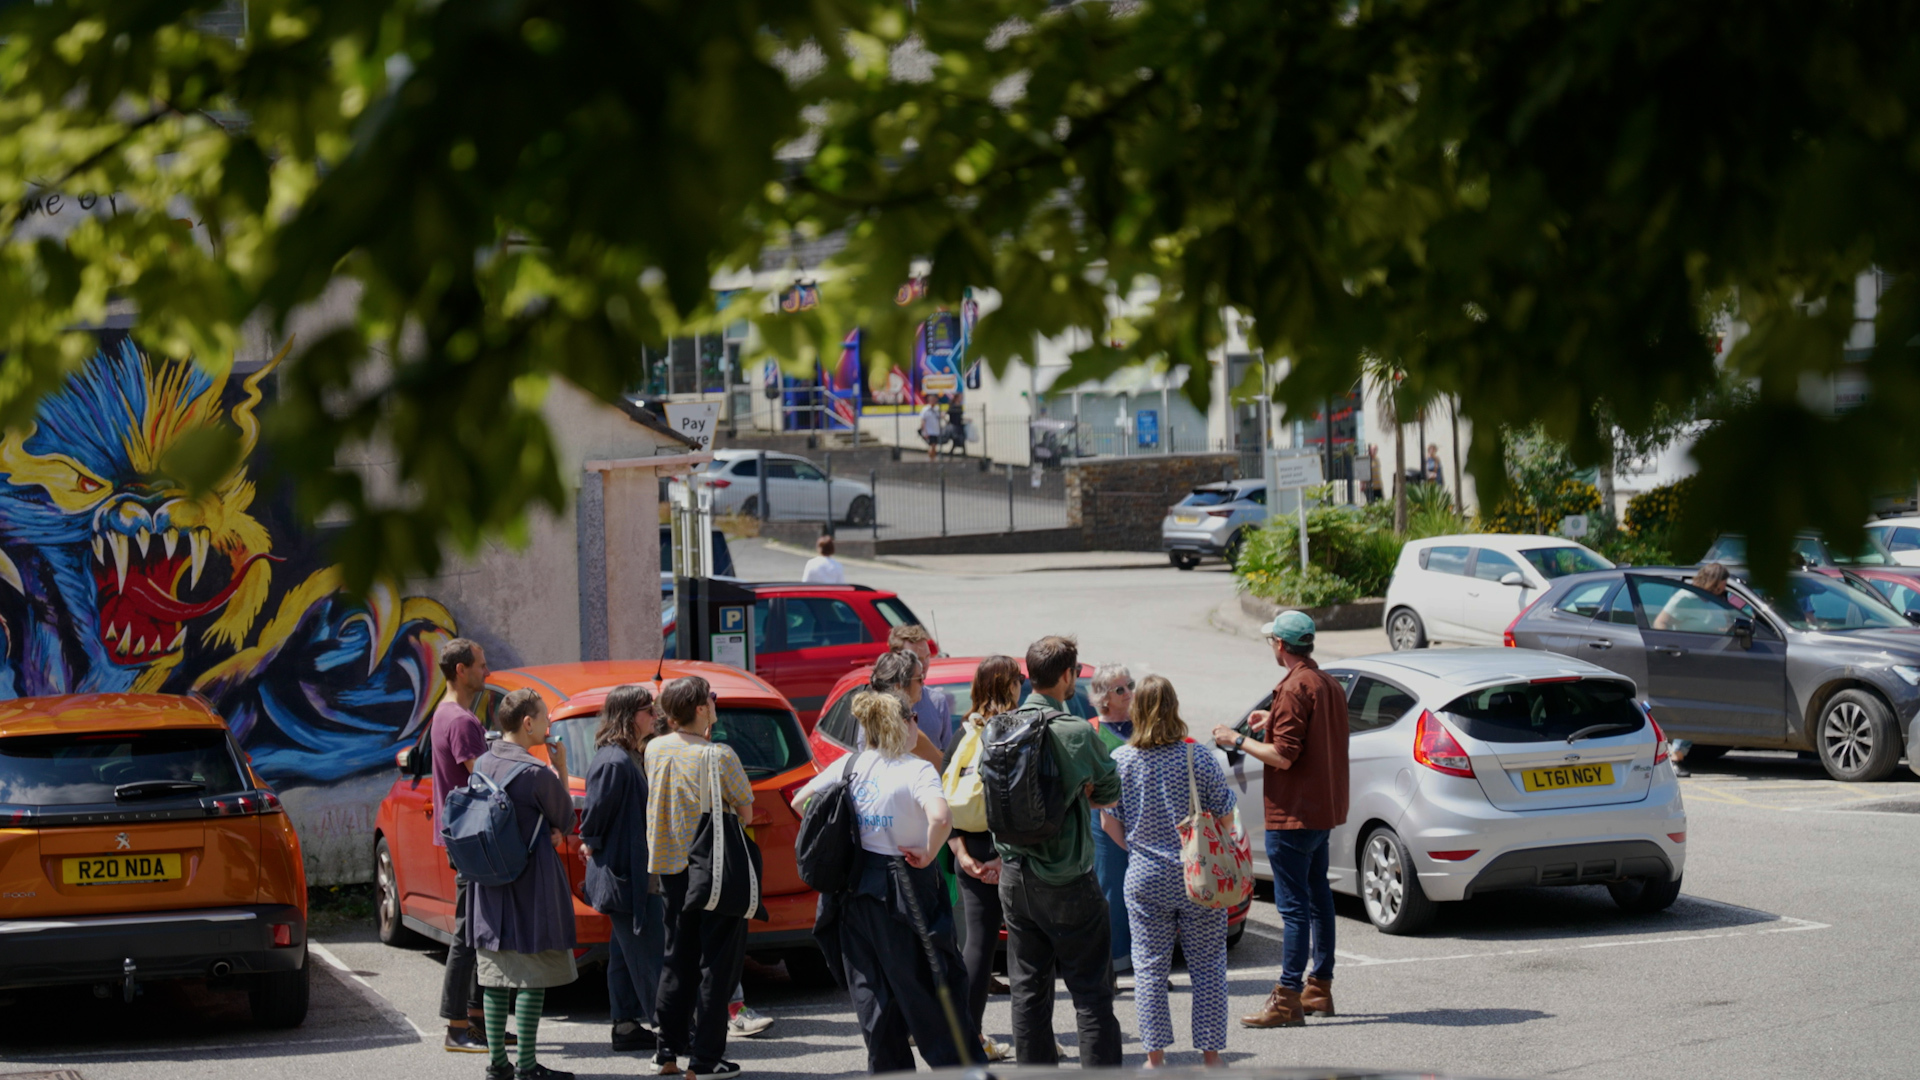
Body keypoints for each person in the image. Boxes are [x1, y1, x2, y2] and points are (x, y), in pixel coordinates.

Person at [798, 691, 974, 1073]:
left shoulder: (850, 764)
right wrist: (928, 852)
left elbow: (802, 803)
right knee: (931, 992)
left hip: (852, 892)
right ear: (901, 724)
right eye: (913, 718)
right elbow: (941, 818)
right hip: (904, 887)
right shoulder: (916, 769)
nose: (918, 724)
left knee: (874, 998)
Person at [1213, 611, 1349, 1028]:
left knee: (1293, 909)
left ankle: (1287, 997)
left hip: (1292, 814)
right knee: (1318, 897)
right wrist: (1270, 721)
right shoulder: (1327, 683)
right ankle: (1318, 987)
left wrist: (1235, 739)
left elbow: (1284, 757)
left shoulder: (1292, 688)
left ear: (1279, 645)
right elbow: (1312, 736)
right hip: (1322, 810)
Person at [995, 635, 1124, 1067]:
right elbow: (1108, 792)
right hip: (1067, 876)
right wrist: (1080, 790)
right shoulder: (1073, 732)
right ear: (1067, 676)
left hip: (1015, 876)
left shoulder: (999, 728)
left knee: (1028, 992)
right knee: (1091, 993)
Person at [1111, 676, 1235, 1068]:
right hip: (1196, 874)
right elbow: (1226, 815)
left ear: (1137, 710)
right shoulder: (1196, 757)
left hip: (1146, 875)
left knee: (1148, 967)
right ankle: (1211, 1057)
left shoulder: (1123, 761)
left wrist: (1138, 849)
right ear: (1174, 707)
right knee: (1208, 964)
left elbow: (1108, 822)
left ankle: (1155, 1058)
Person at [648, 676, 757, 1080]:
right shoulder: (719, 755)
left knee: (677, 960)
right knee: (718, 964)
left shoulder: (654, 749)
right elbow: (745, 810)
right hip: (713, 869)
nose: (715, 703)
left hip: (671, 868)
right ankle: (706, 1059)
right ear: (699, 708)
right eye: (711, 698)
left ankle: (668, 1053)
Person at [468, 688, 577, 1080]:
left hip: (489, 881)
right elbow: (565, 818)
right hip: (531, 883)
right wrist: (561, 767)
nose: (549, 726)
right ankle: (527, 1066)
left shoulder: (482, 761)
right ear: (528, 723)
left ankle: (498, 1065)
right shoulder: (535, 773)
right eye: (545, 718)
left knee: (495, 975)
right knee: (534, 973)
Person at [579, 684, 667, 1053]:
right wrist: (590, 842)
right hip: (627, 876)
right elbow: (594, 817)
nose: (655, 716)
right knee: (650, 955)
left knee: (624, 952)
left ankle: (627, 1025)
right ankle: (668, 1032)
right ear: (630, 716)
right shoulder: (614, 761)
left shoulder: (628, 754)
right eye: (649, 710)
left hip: (633, 872)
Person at [943, 655, 1022, 1063]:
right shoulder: (1014, 731)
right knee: (1028, 945)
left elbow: (945, 796)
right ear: (1009, 687)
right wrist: (1005, 858)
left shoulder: (964, 733)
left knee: (978, 943)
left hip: (968, 852)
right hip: (1007, 850)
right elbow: (1022, 801)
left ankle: (966, 1037)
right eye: (1017, 682)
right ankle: (1034, 1041)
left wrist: (961, 852)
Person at [430, 637, 495, 1053]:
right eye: (481, 665)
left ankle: (474, 1021)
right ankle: (456, 1026)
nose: (485, 671)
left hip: (457, 835)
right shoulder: (462, 722)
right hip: (471, 839)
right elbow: (489, 781)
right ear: (461, 670)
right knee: (468, 932)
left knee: (475, 933)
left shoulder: (443, 713)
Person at [1652, 562, 1736, 775]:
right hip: (1688, 660)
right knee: (1690, 707)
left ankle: (1679, 751)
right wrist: (1674, 650)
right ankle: (1675, 756)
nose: (1722, 591)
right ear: (1710, 582)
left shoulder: (1717, 600)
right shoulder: (1685, 598)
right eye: (1719, 586)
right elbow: (1660, 624)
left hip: (1712, 661)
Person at [1086, 664, 1135, 976]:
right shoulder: (1091, 729)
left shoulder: (1143, 725)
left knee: (1143, 893)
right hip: (1103, 821)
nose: (1129, 692)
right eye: (1120, 689)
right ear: (1103, 697)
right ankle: (1113, 963)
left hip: (1145, 818)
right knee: (1112, 891)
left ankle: (1144, 960)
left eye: (1130, 685)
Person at [865, 649, 944, 768]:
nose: (923, 683)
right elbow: (945, 771)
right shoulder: (906, 732)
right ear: (898, 687)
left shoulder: (871, 721)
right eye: (919, 678)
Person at [888, 624, 952, 755]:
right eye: (916, 658)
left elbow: (948, 755)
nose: (924, 665)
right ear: (896, 658)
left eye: (927, 657)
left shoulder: (937, 701)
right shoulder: (878, 705)